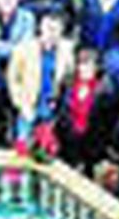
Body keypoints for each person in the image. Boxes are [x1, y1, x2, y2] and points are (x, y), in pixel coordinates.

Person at [6, 11, 73, 142]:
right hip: (29, 105)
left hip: (53, 108)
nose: (51, 34)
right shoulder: (23, 49)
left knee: (50, 147)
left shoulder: (68, 51)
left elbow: (71, 79)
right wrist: (21, 104)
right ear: (41, 28)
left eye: (55, 30)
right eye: (48, 28)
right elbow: (13, 79)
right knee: (23, 145)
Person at [56, 47, 119, 174]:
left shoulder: (106, 91)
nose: (85, 70)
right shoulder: (67, 83)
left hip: (91, 145)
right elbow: (61, 109)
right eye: (82, 65)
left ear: (97, 68)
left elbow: (109, 122)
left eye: (90, 66)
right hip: (68, 141)